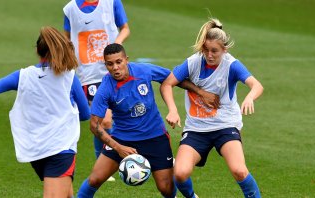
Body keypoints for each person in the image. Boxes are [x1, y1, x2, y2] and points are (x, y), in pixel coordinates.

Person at [0, 27, 90, 198]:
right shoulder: (69, 77)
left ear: (37, 50)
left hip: (36, 151)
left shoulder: (23, 76)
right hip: (61, 149)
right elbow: (85, 115)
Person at [160, 18, 264, 198]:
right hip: (196, 128)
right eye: (206, 50)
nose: (209, 55)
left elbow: (257, 85)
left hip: (225, 126)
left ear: (224, 49)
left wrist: (249, 97)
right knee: (180, 173)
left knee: (239, 170)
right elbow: (167, 84)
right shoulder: (193, 62)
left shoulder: (231, 65)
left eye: (214, 51)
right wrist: (173, 110)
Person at [76, 43, 177, 198]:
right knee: (95, 179)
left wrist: (197, 93)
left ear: (126, 60)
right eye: (110, 64)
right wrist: (118, 148)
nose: (115, 67)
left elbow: (171, 77)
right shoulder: (105, 88)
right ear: (106, 65)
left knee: (166, 187)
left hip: (155, 137)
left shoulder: (143, 70)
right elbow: (94, 125)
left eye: (118, 62)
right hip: (122, 139)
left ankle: (190, 194)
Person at [63, 1, 130, 181]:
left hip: (114, 68)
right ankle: (107, 161)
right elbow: (67, 40)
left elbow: (125, 28)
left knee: (123, 115)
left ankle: (117, 158)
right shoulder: (70, 9)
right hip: (89, 74)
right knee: (104, 121)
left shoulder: (112, 3)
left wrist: (116, 45)